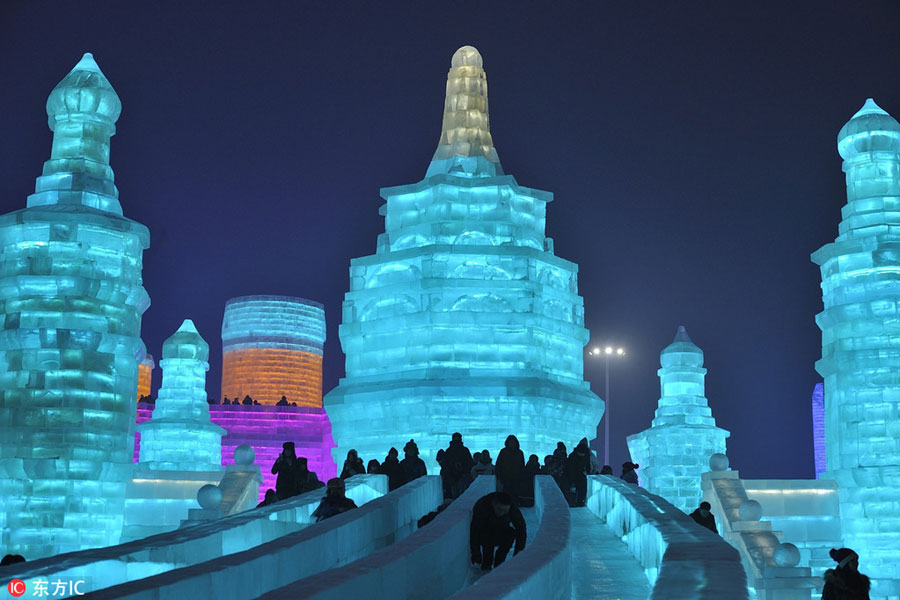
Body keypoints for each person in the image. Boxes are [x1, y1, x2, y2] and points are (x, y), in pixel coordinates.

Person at [469, 492, 526, 571]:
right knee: (487, 549)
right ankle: (486, 565)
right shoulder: (482, 507)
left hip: (501, 530)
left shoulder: (513, 509)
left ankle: (499, 565)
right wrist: (476, 554)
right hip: (485, 533)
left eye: (505, 511)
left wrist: (518, 552)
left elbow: (521, 528)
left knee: (511, 533)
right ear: (493, 504)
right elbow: (474, 532)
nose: (502, 513)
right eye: (499, 509)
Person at [441, 432, 475, 499]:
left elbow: (445, 466)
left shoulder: (449, 451)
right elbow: (470, 463)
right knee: (462, 496)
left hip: (454, 477)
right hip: (461, 476)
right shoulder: (464, 450)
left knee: (455, 496)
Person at [496, 435, 525, 502]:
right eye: (510, 442)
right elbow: (498, 464)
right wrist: (499, 476)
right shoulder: (503, 452)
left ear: (516, 443)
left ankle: (514, 506)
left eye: (513, 442)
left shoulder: (520, 452)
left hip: (516, 477)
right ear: (507, 443)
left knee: (515, 493)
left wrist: (521, 476)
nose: (512, 443)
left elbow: (522, 465)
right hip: (505, 477)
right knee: (506, 494)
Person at [567, 438, 592, 507]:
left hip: (581, 475)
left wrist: (588, 472)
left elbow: (587, 465)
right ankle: (573, 502)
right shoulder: (572, 457)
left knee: (582, 489)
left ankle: (580, 502)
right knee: (573, 489)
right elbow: (570, 469)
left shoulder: (586, 455)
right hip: (574, 475)